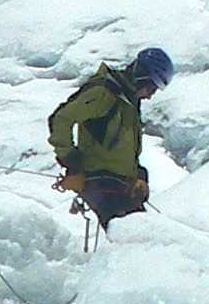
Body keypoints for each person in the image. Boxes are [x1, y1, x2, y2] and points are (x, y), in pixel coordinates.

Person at [49, 45, 173, 227]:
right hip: (100, 182)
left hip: (120, 186)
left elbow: (121, 150)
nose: (149, 96)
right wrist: (71, 162)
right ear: (142, 77)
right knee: (132, 237)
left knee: (143, 234)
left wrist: (139, 175)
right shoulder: (104, 93)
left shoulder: (128, 103)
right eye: (151, 88)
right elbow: (61, 119)